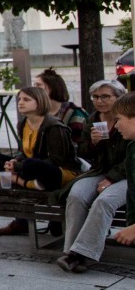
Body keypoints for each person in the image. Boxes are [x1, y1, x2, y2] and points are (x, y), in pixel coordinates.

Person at [55, 80, 129, 272]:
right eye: (95, 97)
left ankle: (82, 255)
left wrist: (111, 179)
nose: (100, 101)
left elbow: (131, 159)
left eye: (105, 96)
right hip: (100, 171)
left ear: (119, 97)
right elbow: (85, 153)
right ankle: (70, 251)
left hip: (126, 174)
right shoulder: (93, 119)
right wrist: (94, 143)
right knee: (76, 195)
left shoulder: (129, 119)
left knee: (104, 201)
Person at [0, 86, 80, 235]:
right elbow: (24, 152)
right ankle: (23, 182)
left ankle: (19, 180)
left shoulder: (54, 126)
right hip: (29, 168)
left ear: (40, 102)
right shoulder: (23, 123)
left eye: (26, 100)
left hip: (58, 171)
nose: (20, 103)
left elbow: (57, 160)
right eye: (19, 99)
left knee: (31, 164)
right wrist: (15, 161)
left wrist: (19, 166)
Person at [38, 68, 89, 148]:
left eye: (38, 85)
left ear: (52, 88)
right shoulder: (37, 112)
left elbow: (78, 145)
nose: (34, 90)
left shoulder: (74, 113)